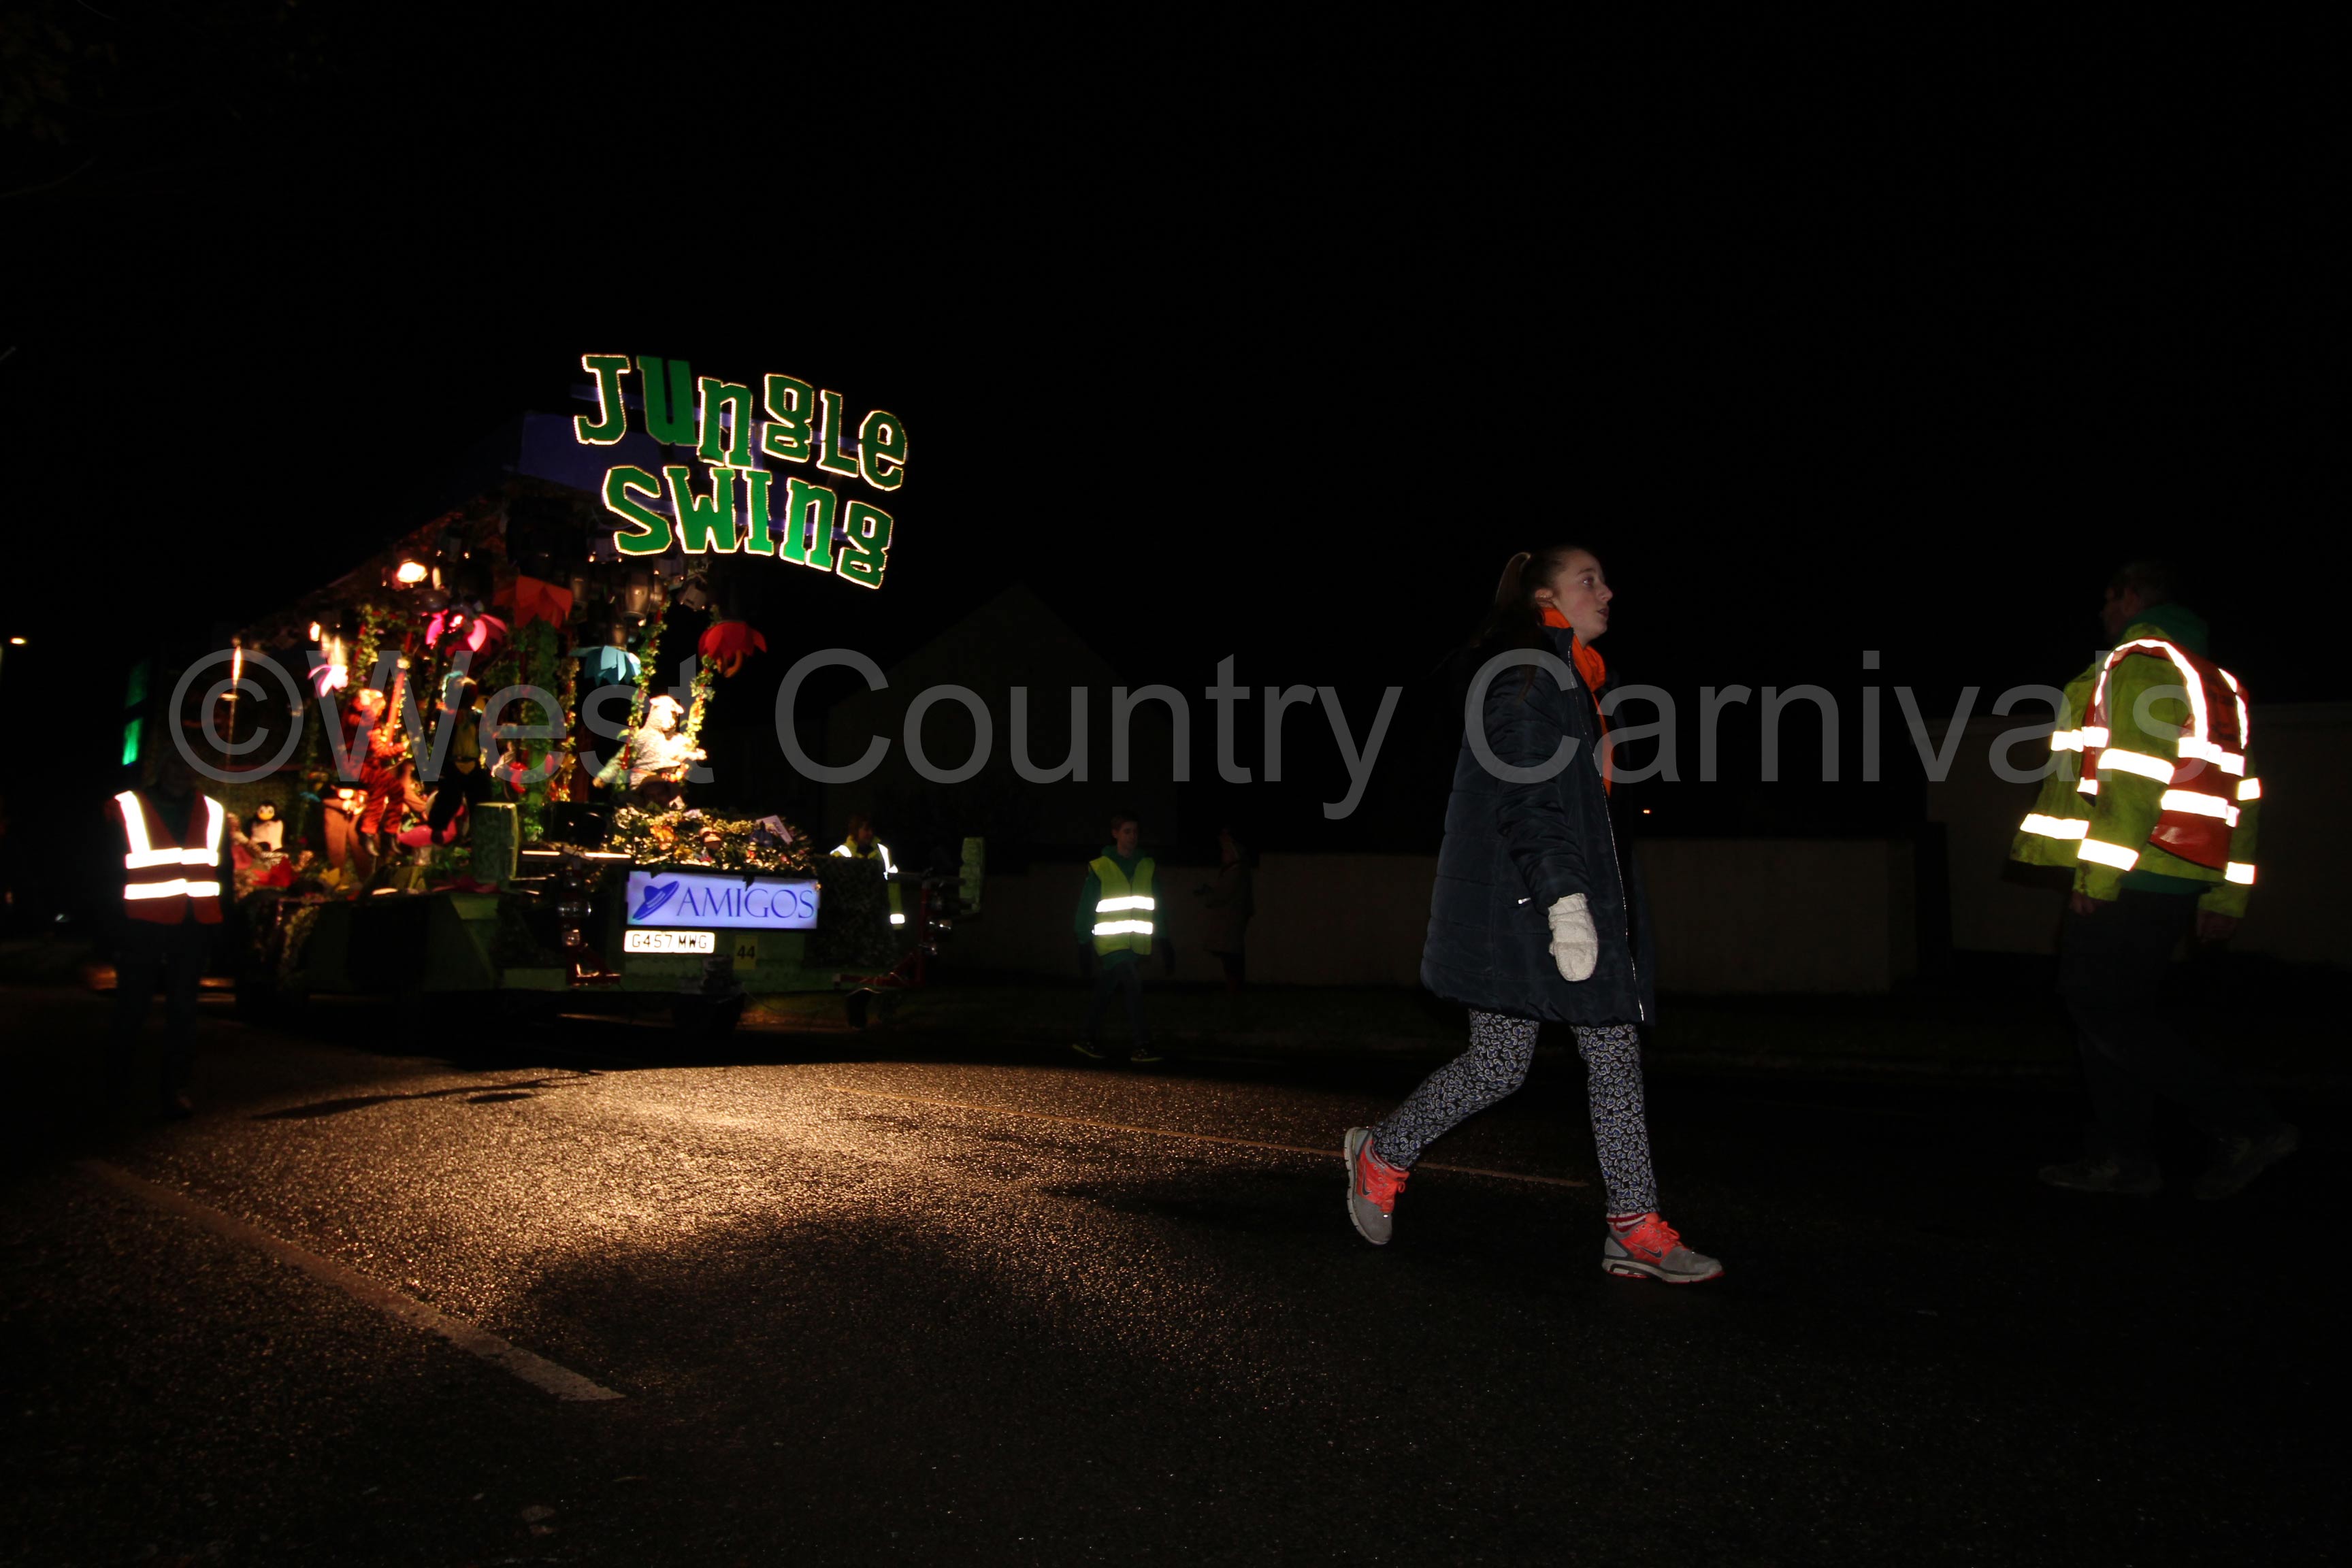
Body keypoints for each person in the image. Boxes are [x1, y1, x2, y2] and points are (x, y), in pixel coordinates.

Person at [1345, 545, 1721, 1284]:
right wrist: (1567, 904)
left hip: (1566, 897)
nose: (1607, 591)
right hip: (1527, 905)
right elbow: (1525, 796)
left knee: (1607, 1051)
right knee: (1501, 1065)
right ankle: (1382, 1155)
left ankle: (1632, 1226)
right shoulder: (1524, 674)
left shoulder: (1582, 679)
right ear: (1545, 597)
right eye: (1589, 580)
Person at [2014, 561, 2292, 1200]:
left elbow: (2133, 780)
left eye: (2109, 598)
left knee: (2100, 1010)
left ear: (2133, 596)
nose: (2103, 612)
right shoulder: (2218, 682)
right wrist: (2226, 893)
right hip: (2175, 877)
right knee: (2113, 1016)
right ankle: (2127, 1158)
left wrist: (2099, 877)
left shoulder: (2141, 662)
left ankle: (2248, 1126)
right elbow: (2243, 797)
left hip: (2133, 872)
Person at [105, 748, 225, 1120]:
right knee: (133, 1006)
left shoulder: (213, 811)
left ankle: (175, 1089)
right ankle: (118, 1087)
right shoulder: (127, 807)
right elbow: (106, 871)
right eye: (176, 764)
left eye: (190, 767)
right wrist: (110, 928)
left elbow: (222, 873)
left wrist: (221, 925)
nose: (182, 773)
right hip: (140, 923)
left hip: (193, 924)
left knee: (183, 1010)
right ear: (162, 768)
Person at [1071, 812, 1162, 1065]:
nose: (1132, 836)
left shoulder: (1146, 865)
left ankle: (1086, 1038)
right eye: (1127, 831)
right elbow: (1086, 905)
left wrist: (1164, 938)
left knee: (1106, 990)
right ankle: (1142, 1044)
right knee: (1133, 986)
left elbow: (1158, 903)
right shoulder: (1101, 867)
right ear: (1115, 834)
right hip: (1111, 943)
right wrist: (1083, 940)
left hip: (1133, 942)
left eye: (1135, 832)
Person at [1192, 827, 1254, 994]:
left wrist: (1210, 895)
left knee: (1231, 958)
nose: (1223, 855)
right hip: (1231, 921)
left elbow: (1221, 895)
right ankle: (1234, 988)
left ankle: (1234, 989)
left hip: (1230, 922)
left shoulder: (1235, 872)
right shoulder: (1236, 872)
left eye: (1226, 852)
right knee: (1231, 958)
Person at [830, 814, 904, 928]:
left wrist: (896, 926)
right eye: (866, 829)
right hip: (850, 921)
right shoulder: (840, 854)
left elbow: (893, 889)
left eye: (872, 829)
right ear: (856, 831)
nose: (870, 833)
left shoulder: (883, 852)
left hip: (877, 918)